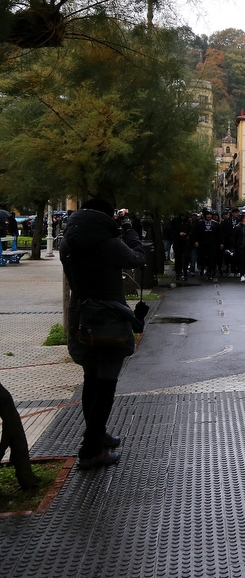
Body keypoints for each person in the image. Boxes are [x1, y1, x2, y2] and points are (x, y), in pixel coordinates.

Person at [60, 199, 148, 469]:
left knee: (91, 380)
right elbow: (138, 258)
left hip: (81, 317)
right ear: (105, 217)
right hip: (108, 320)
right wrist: (128, 228)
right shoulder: (109, 244)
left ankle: (98, 435)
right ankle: (91, 450)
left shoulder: (68, 242)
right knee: (106, 384)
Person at [192, 209, 220, 281]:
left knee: (212, 258)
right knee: (202, 258)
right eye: (207, 214)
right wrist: (196, 241)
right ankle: (202, 269)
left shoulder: (215, 223)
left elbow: (219, 234)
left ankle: (210, 272)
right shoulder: (200, 223)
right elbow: (195, 233)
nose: (209, 216)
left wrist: (220, 243)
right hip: (202, 243)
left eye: (210, 215)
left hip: (212, 244)